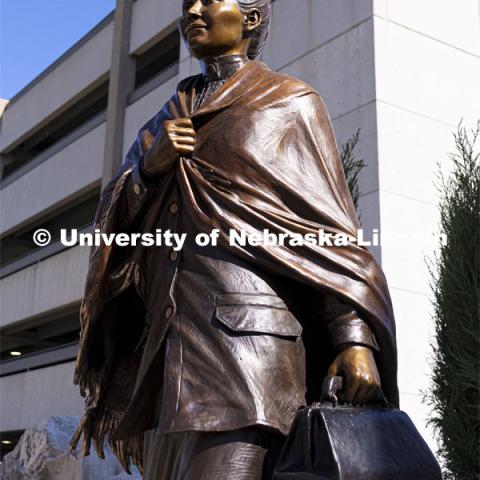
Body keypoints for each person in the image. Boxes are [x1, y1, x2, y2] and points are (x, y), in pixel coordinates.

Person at [71, 1, 398, 478]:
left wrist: (354, 339)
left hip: (248, 365)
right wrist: (148, 169)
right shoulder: (164, 120)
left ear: (251, 18)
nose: (193, 10)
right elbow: (110, 225)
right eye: (186, 4)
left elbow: (329, 237)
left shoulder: (289, 102)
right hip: (167, 373)